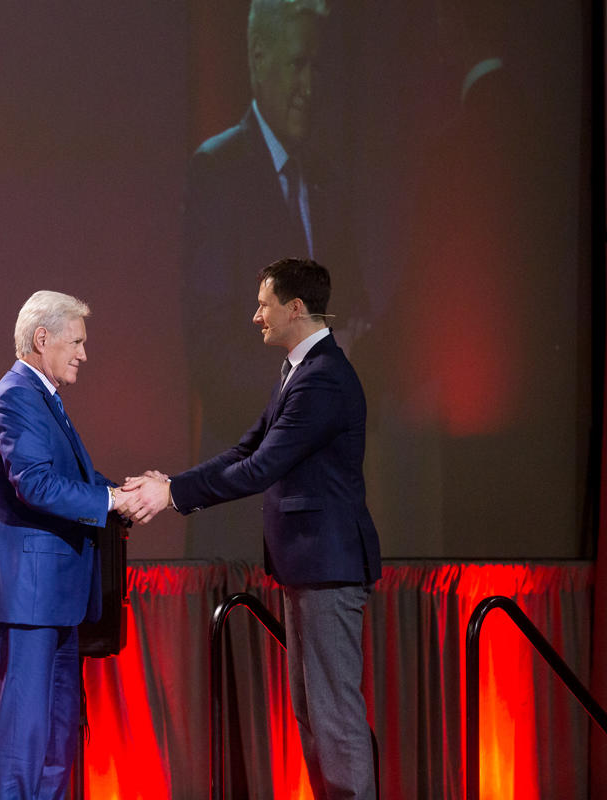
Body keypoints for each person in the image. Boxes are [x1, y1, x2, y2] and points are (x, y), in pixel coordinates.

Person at [123, 259, 381, 800]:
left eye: (264, 304)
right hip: (306, 565)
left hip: (328, 567)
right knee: (314, 716)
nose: (255, 315)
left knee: (334, 720)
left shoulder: (324, 377)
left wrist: (173, 496)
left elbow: (263, 467)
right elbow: (247, 449)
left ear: (295, 308)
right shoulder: (297, 371)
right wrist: (173, 484)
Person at [183, 0, 366, 555]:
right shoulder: (218, 169)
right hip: (240, 501)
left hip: (317, 506)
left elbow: (353, 309)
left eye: (317, 67)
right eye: (296, 65)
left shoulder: (329, 179)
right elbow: (210, 349)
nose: (309, 85)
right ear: (258, 59)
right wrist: (299, 401)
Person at [0, 290, 135, 800]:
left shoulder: (43, 397)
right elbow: (36, 485)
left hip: (55, 598)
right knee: (27, 739)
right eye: (77, 342)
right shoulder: (16, 396)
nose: (84, 354)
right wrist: (110, 500)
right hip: (30, 595)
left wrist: (125, 494)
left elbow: (73, 477)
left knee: (58, 736)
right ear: (42, 339)